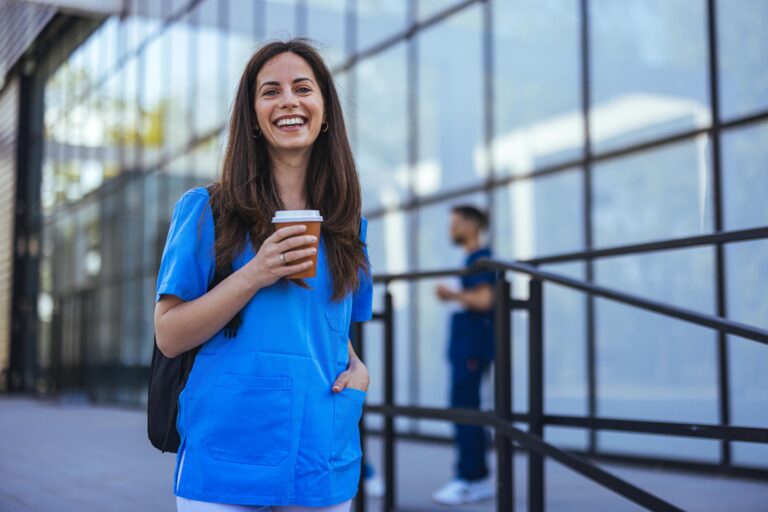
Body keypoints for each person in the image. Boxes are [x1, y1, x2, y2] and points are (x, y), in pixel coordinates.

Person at [154, 39, 373, 512]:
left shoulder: (348, 224)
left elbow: (329, 325)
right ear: (253, 116)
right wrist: (255, 273)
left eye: (303, 88)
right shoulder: (206, 211)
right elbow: (169, 335)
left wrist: (358, 368)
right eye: (270, 91)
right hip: (227, 456)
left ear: (325, 109)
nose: (289, 100)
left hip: (321, 453)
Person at [431, 205, 496, 506]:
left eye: (456, 223)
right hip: (464, 347)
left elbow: (485, 300)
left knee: (465, 411)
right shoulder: (470, 259)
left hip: (472, 347)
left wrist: (452, 294)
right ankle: (475, 476)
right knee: (464, 409)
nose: (450, 229)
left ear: (472, 225)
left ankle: (470, 479)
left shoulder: (481, 259)